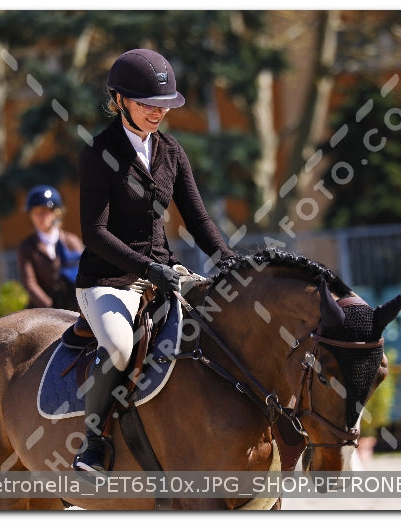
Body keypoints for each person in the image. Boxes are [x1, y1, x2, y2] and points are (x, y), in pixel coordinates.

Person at [72, 48, 235, 473]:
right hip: (108, 280)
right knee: (122, 347)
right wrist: (147, 270)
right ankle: (92, 443)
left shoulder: (171, 151)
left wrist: (230, 262)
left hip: (164, 272)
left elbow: (198, 219)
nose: (157, 112)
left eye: (164, 104)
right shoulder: (98, 152)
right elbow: (95, 233)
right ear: (119, 100)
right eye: (147, 103)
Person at [17, 185, 84, 312]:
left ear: (55, 213)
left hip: (75, 309)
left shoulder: (72, 241)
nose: (39, 217)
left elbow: (83, 274)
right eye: (35, 212)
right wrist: (51, 309)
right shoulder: (26, 246)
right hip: (43, 312)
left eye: (43, 211)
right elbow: (30, 283)